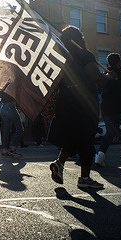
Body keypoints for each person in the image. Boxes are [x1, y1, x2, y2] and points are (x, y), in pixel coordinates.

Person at [49, 26, 114, 189]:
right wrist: (108, 76)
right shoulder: (85, 55)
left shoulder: (62, 56)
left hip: (66, 102)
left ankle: (59, 163)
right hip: (83, 103)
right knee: (86, 139)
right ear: (79, 39)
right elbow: (94, 76)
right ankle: (84, 178)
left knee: (73, 138)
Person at [0, 91, 23, 158]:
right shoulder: (13, 83)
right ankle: (13, 149)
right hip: (10, 106)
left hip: (3, 107)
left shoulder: (3, 84)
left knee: (7, 130)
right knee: (20, 128)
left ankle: (4, 151)